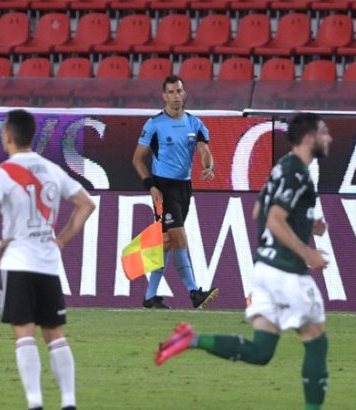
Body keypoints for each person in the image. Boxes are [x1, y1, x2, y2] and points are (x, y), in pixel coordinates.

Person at [155, 113, 332, 410]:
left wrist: (307, 222)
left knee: (261, 350)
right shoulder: (298, 173)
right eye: (324, 133)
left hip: (264, 269)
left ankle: (191, 339)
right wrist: (306, 252)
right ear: (310, 138)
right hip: (287, 272)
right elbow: (275, 220)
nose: (329, 139)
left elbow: (259, 212)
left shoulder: (281, 168)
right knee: (316, 339)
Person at [0, 109, 96, 410]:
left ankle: (35, 403)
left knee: (24, 334)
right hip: (48, 262)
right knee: (55, 334)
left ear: (8, 135)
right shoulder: (51, 169)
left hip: (18, 261)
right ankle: (69, 402)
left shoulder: (2, 172)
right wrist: (61, 239)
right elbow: (86, 204)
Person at [132, 75, 219, 310]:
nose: (176, 96)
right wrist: (149, 185)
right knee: (179, 237)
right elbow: (137, 159)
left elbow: (204, 150)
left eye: (179, 91)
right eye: (171, 92)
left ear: (185, 93)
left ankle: (150, 296)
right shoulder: (154, 125)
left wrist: (208, 166)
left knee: (168, 241)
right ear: (164, 96)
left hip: (184, 188)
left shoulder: (195, 123)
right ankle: (194, 293)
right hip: (164, 188)